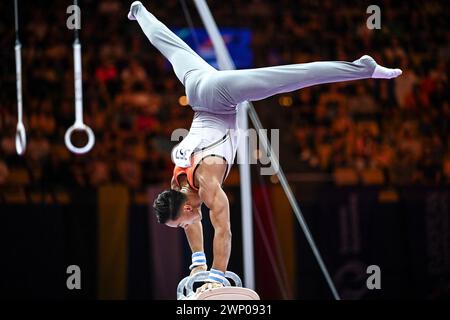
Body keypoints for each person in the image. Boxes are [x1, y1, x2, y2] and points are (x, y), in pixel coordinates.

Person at [128, 1, 402, 292]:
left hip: (218, 96)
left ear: (185, 205)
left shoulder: (206, 184)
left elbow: (224, 231)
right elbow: (191, 222)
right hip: (197, 91)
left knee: (288, 78)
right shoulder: (179, 188)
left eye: (181, 221)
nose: (185, 225)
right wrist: (198, 262)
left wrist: (216, 279)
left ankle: (363, 68)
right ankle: (140, 11)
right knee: (171, 48)